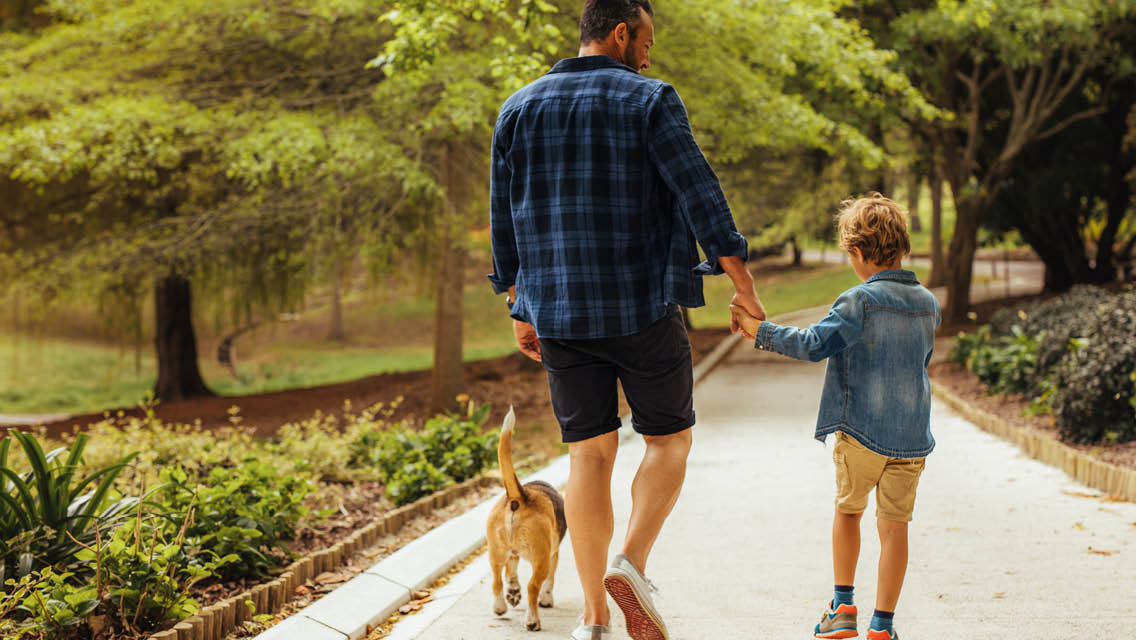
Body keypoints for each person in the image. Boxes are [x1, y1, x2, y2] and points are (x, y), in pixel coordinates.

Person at [488, 1, 764, 638]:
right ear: (620, 33)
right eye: (645, 40)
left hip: (557, 313)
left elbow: (504, 221)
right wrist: (743, 284)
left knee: (588, 456)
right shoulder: (651, 99)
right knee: (669, 439)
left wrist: (515, 306)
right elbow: (701, 195)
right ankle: (630, 564)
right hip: (642, 305)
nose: (649, 53)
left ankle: (592, 613)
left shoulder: (518, 107)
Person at [731, 194, 940, 640]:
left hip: (860, 432)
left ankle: (842, 607)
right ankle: (882, 626)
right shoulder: (927, 302)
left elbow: (812, 344)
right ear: (901, 246)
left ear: (859, 253)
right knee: (895, 527)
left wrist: (758, 332)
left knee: (849, 511)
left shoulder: (858, 301)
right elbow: (920, 365)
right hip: (910, 439)